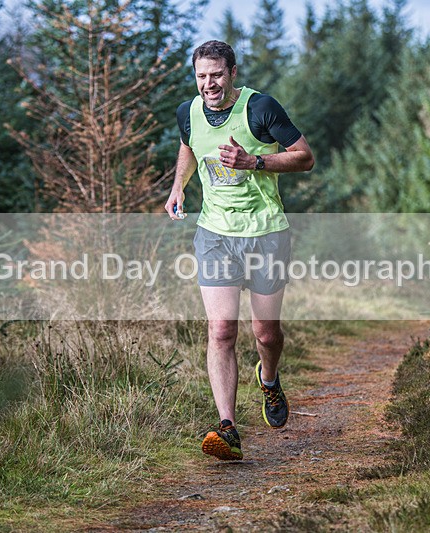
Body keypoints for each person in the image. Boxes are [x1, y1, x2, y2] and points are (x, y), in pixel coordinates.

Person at [164, 40, 314, 461]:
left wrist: (255, 163)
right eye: (201, 76)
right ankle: (227, 427)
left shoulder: (260, 108)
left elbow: (305, 157)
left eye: (216, 75)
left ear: (232, 72)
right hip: (214, 234)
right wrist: (179, 185)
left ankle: (268, 379)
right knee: (221, 331)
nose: (208, 84)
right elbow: (190, 144)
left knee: (265, 333)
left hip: (266, 232)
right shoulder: (188, 111)